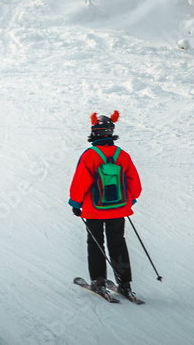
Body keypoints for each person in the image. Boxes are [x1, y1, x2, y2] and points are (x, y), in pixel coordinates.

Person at [68, 111, 142, 301]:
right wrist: (128, 201)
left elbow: (80, 183)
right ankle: (124, 284)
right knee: (118, 242)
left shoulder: (90, 155)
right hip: (118, 209)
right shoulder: (122, 155)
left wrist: (76, 204)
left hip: (94, 210)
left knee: (95, 244)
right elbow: (134, 183)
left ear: (94, 132)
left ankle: (99, 282)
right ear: (111, 133)